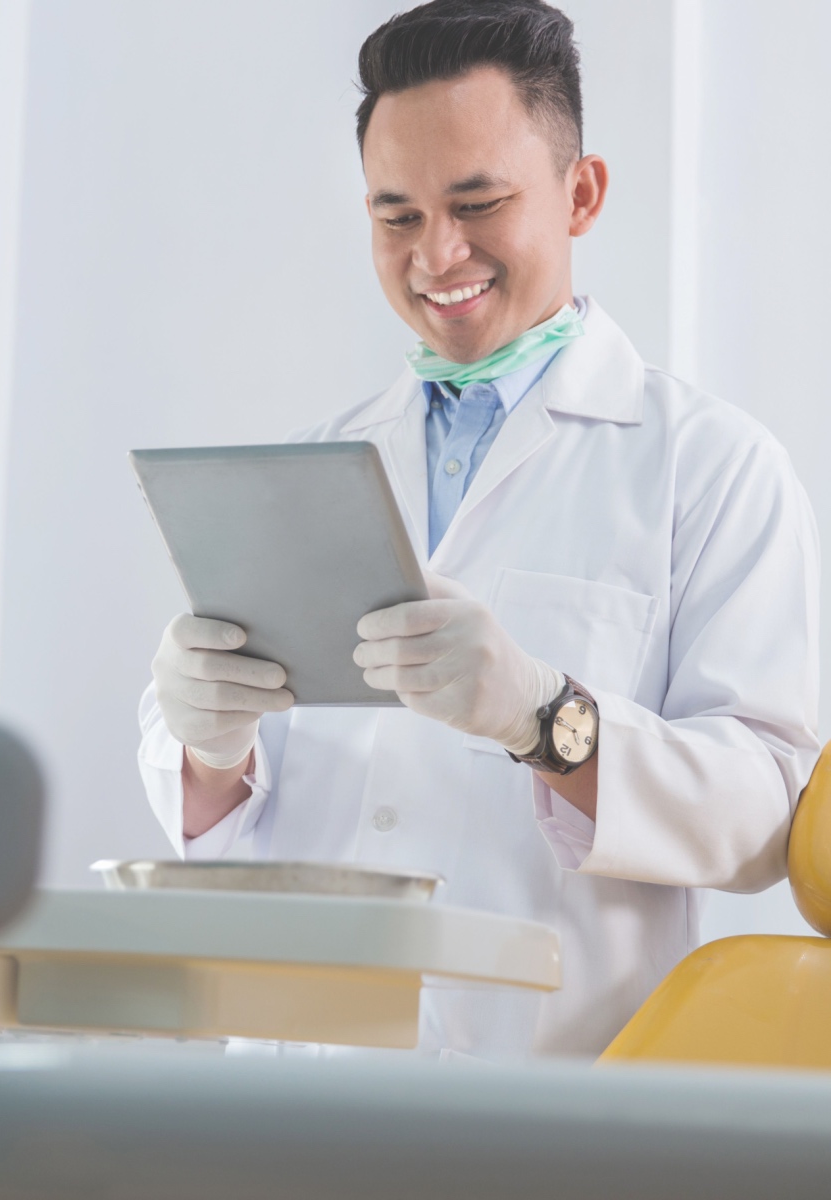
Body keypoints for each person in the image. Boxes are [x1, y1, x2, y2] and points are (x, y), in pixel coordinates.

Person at [138, 0, 821, 1060]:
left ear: (580, 193)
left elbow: (766, 816)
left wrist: (546, 719)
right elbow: (222, 805)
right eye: (396, 215)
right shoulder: (314, 460)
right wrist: (204, 743)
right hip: (294, 1094)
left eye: (478, 202)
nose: (436, 253)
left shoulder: (711, 467)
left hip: (543, 1103)